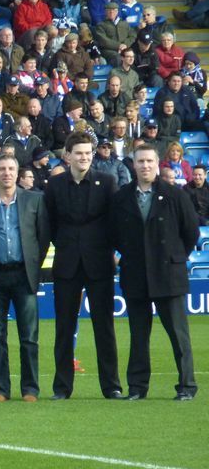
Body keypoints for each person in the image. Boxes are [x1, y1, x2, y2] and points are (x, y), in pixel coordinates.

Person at [111, 144, 200, 401]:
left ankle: (187, 386)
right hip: (136, 274)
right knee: (138, 336)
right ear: (134, 165)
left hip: (168, 275)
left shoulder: (175, 195)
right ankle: (137, 388)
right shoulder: (121, 198)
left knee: (178, 335)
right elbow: (115, 234)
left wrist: (174, 257)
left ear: (157, 163)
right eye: (140, 162)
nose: (145, 166)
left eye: (149, 161)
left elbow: (191, 232)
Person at [44, 131, 123, 400]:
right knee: (64, 329)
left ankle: (111, 386)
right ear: (67, 156)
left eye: (88, 153)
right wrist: (68, 245)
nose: (84, 157)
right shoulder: (54, 186)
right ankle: (62, 388)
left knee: (105, 327)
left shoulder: (108, 181)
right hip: (66, 264)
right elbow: (50, 226)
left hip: (100, 263)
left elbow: (114, 223)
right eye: (79, 153)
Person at [0, 153, 49, 402]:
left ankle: (30, 389)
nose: (6, 173)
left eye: (10, 169)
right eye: (1, 169)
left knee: (29, 337)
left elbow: (42, 238)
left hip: (24, 275)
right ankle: (0, 389)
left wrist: (33, 265)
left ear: (17, 173)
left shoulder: (34, 201)